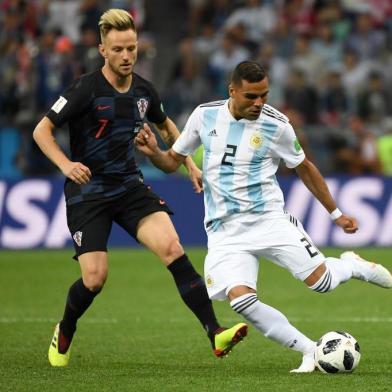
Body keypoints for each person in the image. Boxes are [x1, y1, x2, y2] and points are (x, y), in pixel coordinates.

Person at [135, 60, 392, 372]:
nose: (259, 103)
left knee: (321, 283)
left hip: (269, 220)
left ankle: (351, 264)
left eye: (264, 96)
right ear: (232, 91)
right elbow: (173, 162)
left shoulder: (277, 124)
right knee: (241, 301)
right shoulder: (204, 116)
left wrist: (336, 213)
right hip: (224, 230)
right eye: (251, 97)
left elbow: (304, 167)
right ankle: (311, 351)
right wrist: (153, 153)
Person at [32, 9, 247, 367]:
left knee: (172, 248)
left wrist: (190, 164)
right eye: (118, 49)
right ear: (103, 50)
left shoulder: (145, 91)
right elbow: (42, 130)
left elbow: (167, 129)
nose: (127, 56)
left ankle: (215, 331)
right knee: (95, 279)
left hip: (130, 186)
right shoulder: (85, 89)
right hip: (89, 193)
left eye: (131, 48)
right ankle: (65, 328)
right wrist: (67, 165)